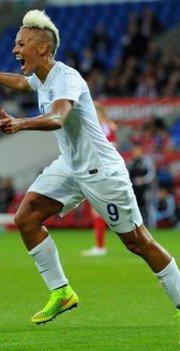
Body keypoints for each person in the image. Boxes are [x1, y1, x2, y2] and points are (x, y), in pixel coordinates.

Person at [0, 10, 180, 344]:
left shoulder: (67, 78)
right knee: (26, 217)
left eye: (22, 43)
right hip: (71, 167)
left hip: (103, 172)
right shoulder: (40, 78)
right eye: (15, 43)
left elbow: (58, 118)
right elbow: (20, 82)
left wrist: (21, 123)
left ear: (43, 48)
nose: (15, 50)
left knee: (137, 242)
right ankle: (61, 292)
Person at [81, 102, 117, 257]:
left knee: (98, 210)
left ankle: (100, 247)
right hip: (107, 169)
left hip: (101, 170)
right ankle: (100, 245)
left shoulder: (101, 128)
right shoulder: (109, 127)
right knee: (100, 208)